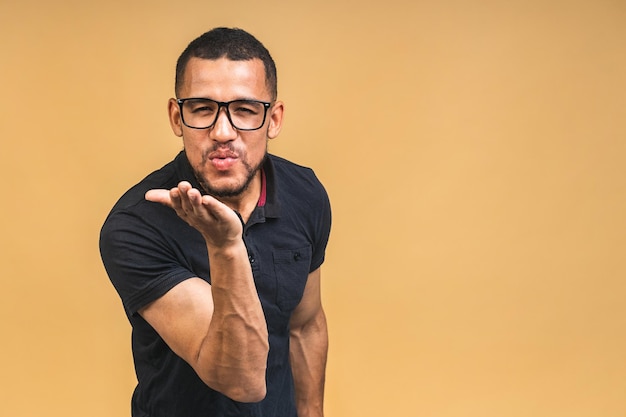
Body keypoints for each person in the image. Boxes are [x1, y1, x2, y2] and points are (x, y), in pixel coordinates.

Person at [99, 27, 332, 417]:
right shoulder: (135, 226)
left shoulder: (304, 193)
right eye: (203, 109)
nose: (223, 132)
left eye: (244, 110)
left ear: (273, 119)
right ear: (178, 117)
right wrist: (226, 246)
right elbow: (239, 380)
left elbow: (305, 326)